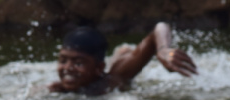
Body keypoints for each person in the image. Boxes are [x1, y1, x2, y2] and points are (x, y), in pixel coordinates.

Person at [49, 22, 198, 95]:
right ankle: (122, 52)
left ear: (99, 68)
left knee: (121, 64)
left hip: (120, 73)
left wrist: (163, 50)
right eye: (63, 60)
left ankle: (123, 53)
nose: (67, 68)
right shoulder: (57, 89)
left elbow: (160, 27)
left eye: (78, 63)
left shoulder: (114, 78)